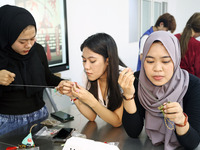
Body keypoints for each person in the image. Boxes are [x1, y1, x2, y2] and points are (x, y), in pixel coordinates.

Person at [122, 31, 200, 150]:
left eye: (165, 61)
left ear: (176, 59)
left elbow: (192, 143)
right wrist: (128, 96)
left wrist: (180, 120)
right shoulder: (138, 81)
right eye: (150, 61)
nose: (157, 69)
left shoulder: (192, 85)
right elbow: (133, 132)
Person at [0, 5, 64, 135]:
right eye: (22, 41)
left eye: (32, 38)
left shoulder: (38, 50)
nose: (29, 45)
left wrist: (62, 83)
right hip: (7, 122)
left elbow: (47, 78)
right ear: (8, 36)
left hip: (40, 117)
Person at [59, 33, 134, 127]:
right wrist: (74, 96)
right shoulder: (87, 76)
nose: (86, 67)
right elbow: (92, 116)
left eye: (92, 61)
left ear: (108, 60)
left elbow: (117, 121)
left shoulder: (123, 78)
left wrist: (91, 100)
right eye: (84, 60)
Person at [175, 12, 200, 78]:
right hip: (190, 83)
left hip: (172, 81)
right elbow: (198, 71)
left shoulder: (173, 38)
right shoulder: (197, 45)